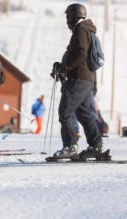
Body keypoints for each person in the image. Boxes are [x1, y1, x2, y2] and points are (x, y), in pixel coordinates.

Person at [51, 3, 104, 160]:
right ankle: (96, 146)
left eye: (67, 17)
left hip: (79, 78)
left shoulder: (80, 30)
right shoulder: (85, 30)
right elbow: (76, 55)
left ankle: (70, 147)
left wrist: (65, 69)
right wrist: (61, 67)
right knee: (84, 113)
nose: (66, 21)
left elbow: (81, 55)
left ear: (73, 16)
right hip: (86, 79)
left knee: (65, 111)